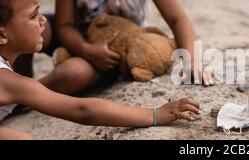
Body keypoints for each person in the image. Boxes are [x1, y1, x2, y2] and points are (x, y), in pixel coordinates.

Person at [0, 0, 201, 140]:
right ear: (2, 35)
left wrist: (190, 60)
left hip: (119, 47)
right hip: (81, 42)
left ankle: (20, 103)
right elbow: (83, 110)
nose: (42, 19)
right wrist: (155, 115)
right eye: (34, 15)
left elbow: (178, 18)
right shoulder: (10, 82)